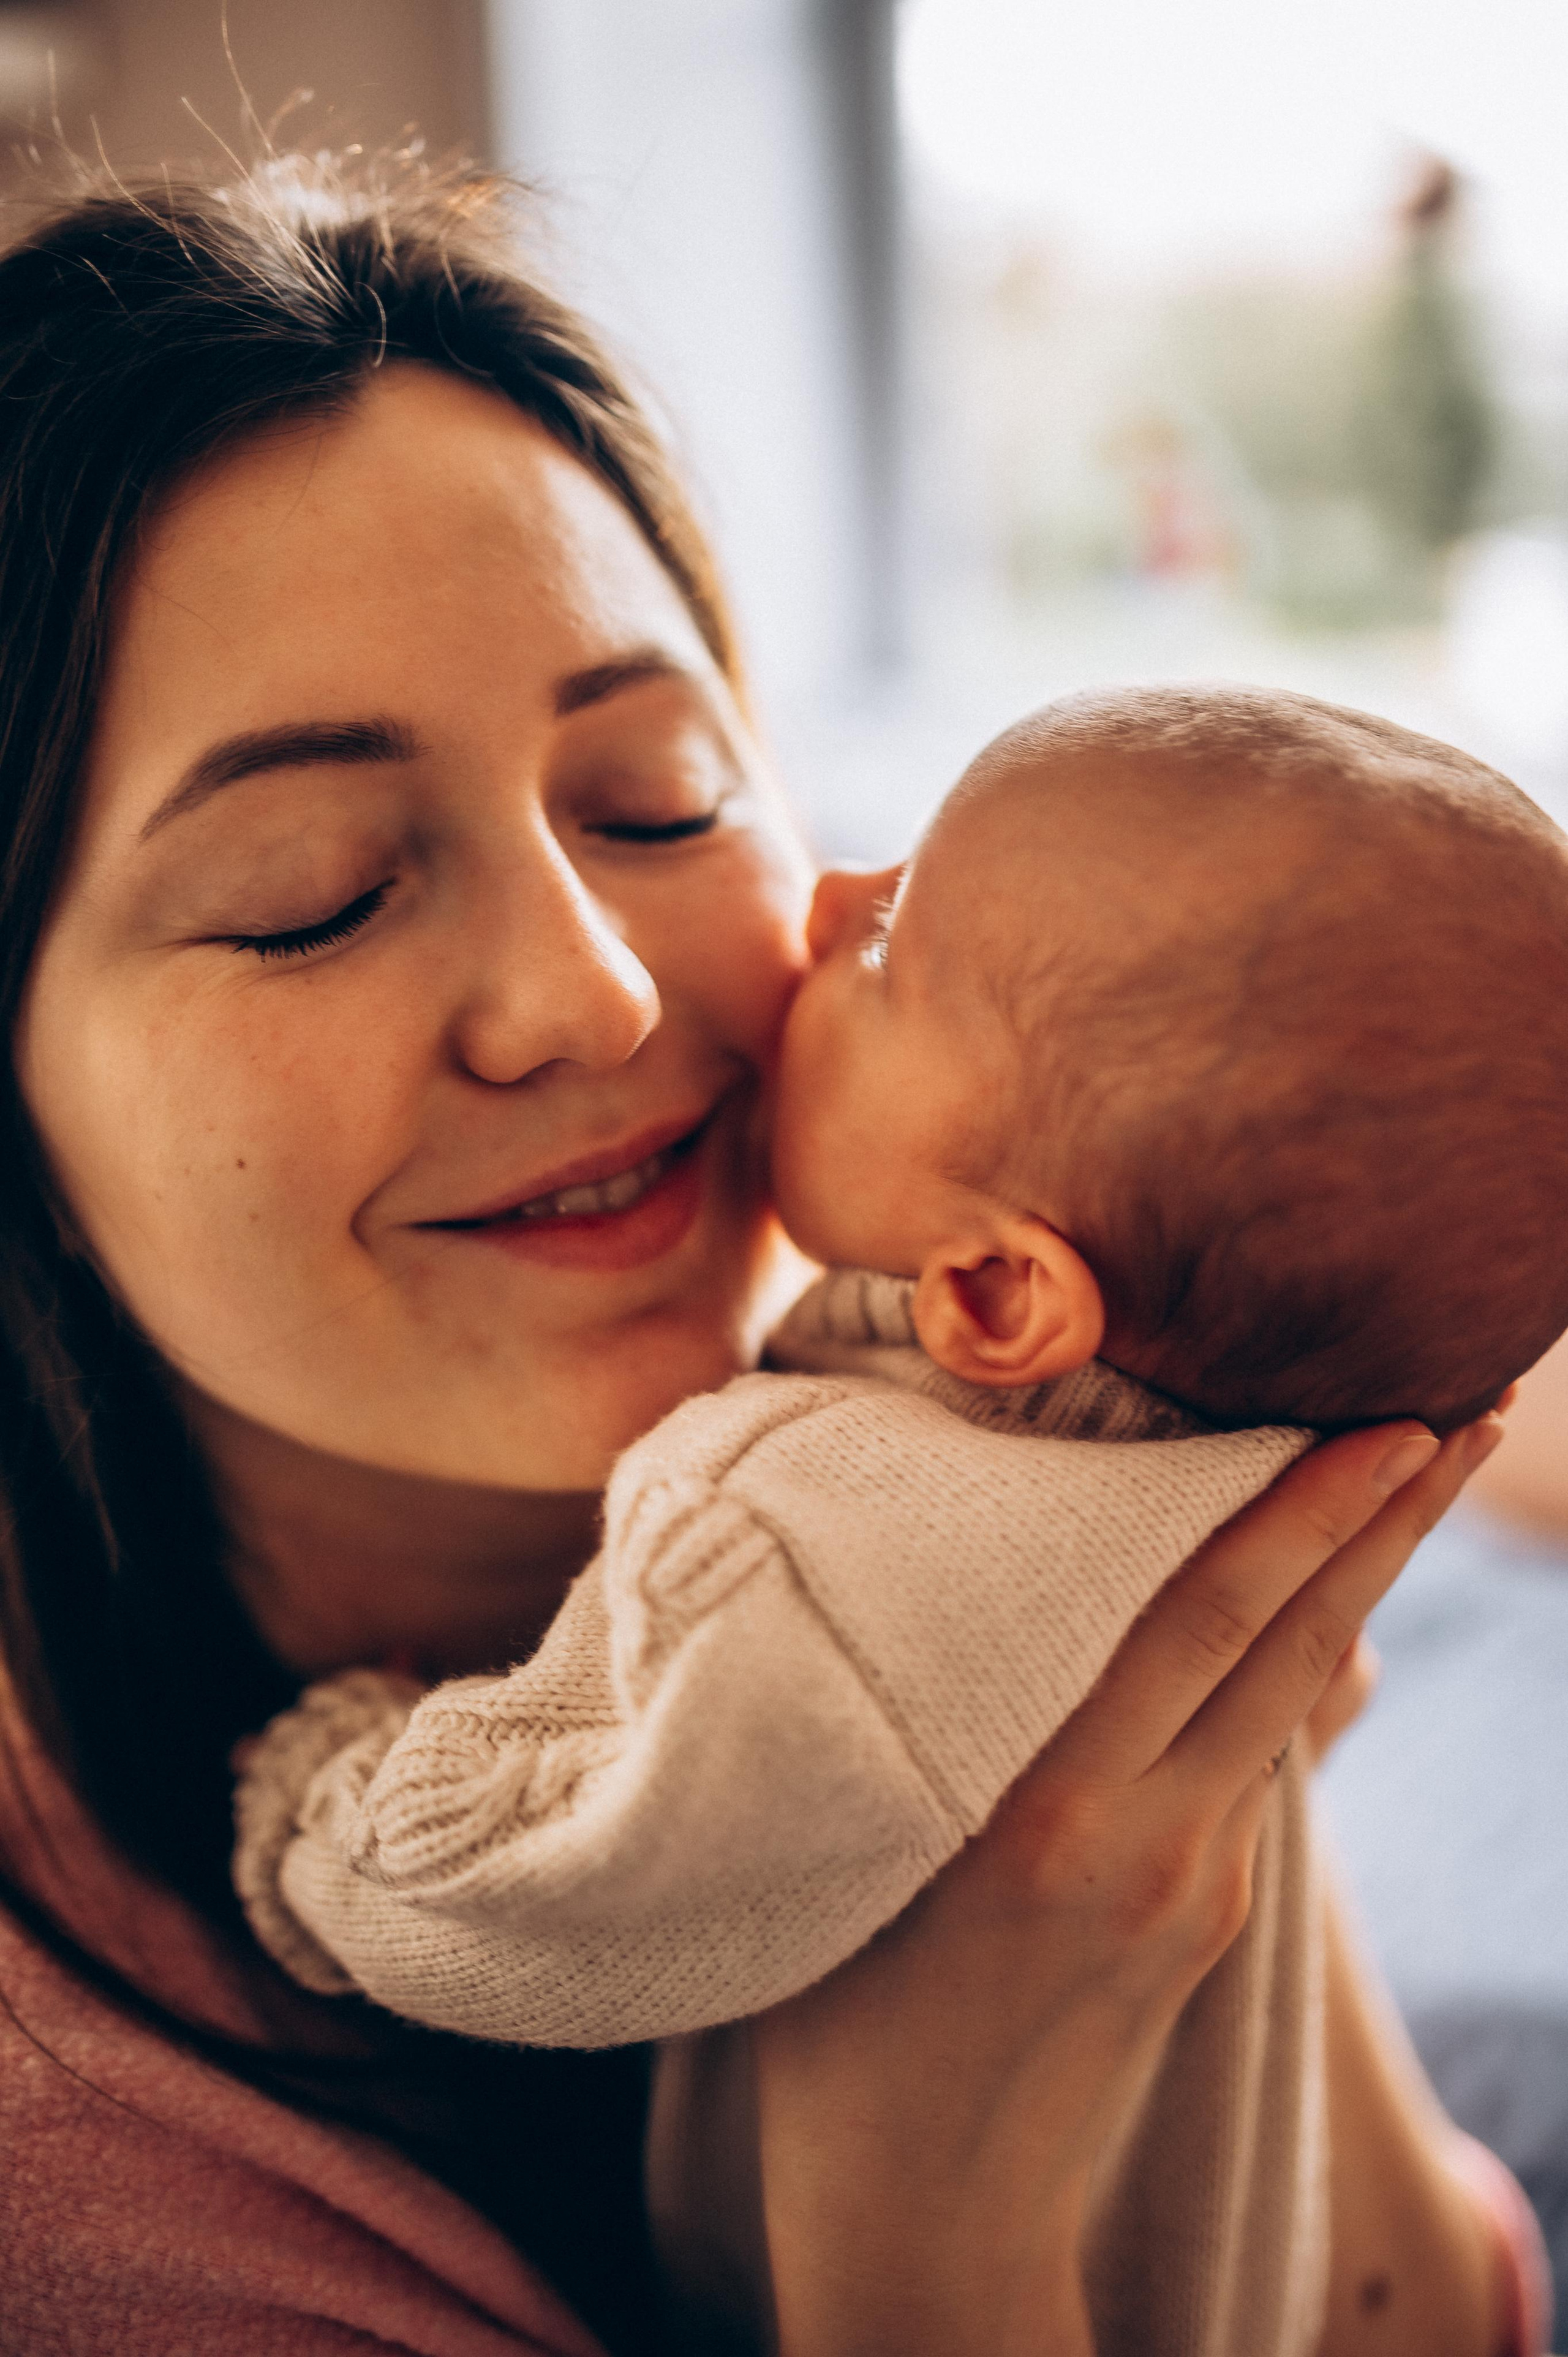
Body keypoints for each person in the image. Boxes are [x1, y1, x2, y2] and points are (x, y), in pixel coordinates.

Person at [0, 155, 1532, 2357]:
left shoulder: (1037, 1479)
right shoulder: (84, 2202)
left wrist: (1249, 1803)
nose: (600, 997)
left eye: (655, 801)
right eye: (317, 890)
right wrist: (920, 2218)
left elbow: (1429, 2303)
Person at [230, 686, 1568, 2352]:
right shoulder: (1230, 1453)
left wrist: (336, 1802)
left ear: (1001, 1293)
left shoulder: (810, 1536)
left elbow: (575, 1881)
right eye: (309, 896)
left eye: (656, 803)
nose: (833, 896)